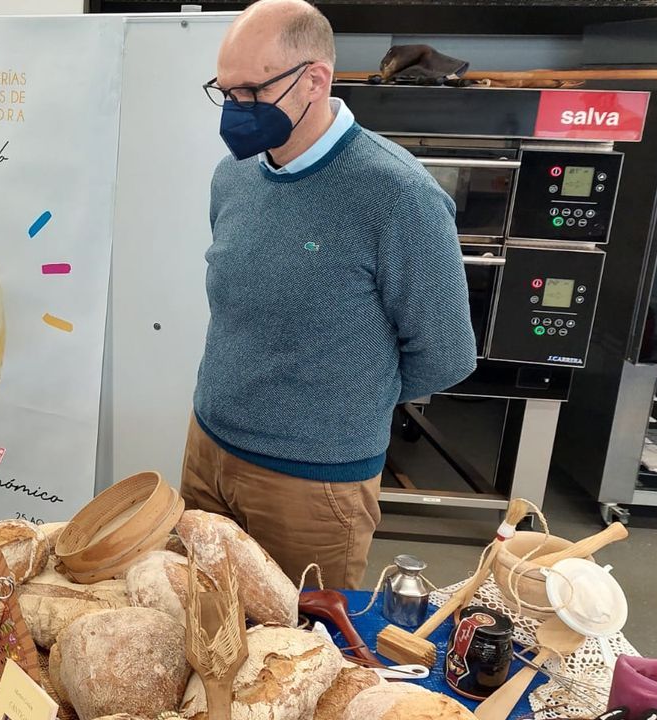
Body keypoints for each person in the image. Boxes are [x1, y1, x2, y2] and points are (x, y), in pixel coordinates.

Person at [183, 0, 476, 589]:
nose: (235, 110)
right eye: (225, 91)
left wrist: (336, 407)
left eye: (252, 92)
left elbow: (446, 354)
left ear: (315, 80)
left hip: (313, 488)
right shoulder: (234, 175)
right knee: (201, 624)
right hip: (208, 454)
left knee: (298, 651)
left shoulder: (398, 196)